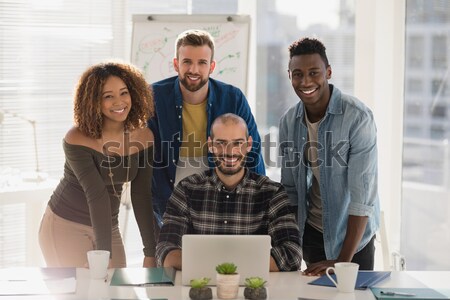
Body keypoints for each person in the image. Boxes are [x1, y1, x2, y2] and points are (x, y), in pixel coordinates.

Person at [39, 61, 157, 268]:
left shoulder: (144, 137)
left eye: (124, 93)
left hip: (108, 226)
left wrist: (150, 252)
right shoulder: (77, 137)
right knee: (76, 293)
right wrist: (105, 256)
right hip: (66, 224)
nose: (119, 102)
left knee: (116, 291)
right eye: (108, 96)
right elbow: (97, 195)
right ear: (94, 101)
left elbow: (141, 196)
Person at [279, 37, 380, 276]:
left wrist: (342, 261)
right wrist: (290, 243)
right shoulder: (288, 122)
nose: (305, 81)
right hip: (311, 233)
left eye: (314, 72)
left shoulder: (357, 118)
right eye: (298, 74)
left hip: (354, 239)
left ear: (329, 72)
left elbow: (362, 199)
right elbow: (290, 190)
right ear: (290, 75)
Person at [156, 113, 302, 272]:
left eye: (238, 143)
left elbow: (292, 254)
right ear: (210, 145)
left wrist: (215, 264)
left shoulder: (272, 192)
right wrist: (240, 263)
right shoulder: (187, 189)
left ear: (249, 145)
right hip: (200, 289)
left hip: (252, 290)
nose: (230, 152)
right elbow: (165, 251)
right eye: (221, 143)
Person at [148, 29, 265, 227]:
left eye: (202, 63)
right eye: (187, 62)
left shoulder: (233, 98)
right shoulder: (154, 97)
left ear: (212, 66)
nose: (194, 70)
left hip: (221, 194)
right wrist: (168, 212)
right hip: (170, 196)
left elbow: (252, 153)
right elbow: (151, 161)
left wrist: (256, 205)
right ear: (176, 64)